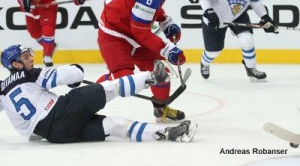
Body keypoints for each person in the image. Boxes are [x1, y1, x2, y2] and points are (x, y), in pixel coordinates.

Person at [0, 44, 197, 143]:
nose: (32, 59)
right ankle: (152, 77)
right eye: (26, 57)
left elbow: (32, 135)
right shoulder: (29, 74)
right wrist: (76, 75)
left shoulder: (2, 90)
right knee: (107, 89)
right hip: (60, 111)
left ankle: (170, 134)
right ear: (16, 64)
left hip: (55, 135)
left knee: (116, 125)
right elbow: (72, 73)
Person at [97, 0, 186, 123]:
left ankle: (161, 108)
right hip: (114, 34)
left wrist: (165, 21)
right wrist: (168, 50)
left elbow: (153, 10)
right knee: (124, 82)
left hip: (134, 32)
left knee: (162, 74)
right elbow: (141, 33)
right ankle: (86, 98)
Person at [199, 0, 279, 82]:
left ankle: (251, 69)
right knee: (214, 51)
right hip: (216, 16)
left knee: (247, 40)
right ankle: (204, 62)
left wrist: (265, 17)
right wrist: (209, 12)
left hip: (238, 14)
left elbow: (256, 3)